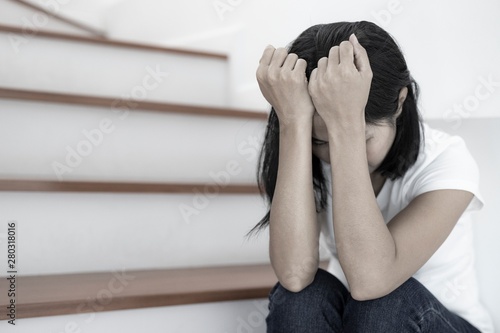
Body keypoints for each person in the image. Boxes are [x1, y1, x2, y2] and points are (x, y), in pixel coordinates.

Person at [251, 21, 494, 332]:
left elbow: (371, 281)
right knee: (300, 299)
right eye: (320, 141)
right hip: (359, 319)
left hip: (438, 322)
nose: (329, 153)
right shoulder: (308, 155)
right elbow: (294, 274)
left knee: (383, 304)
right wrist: (293, 121)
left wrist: (345, 126)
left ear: (399, 103)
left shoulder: (446, 159)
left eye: (363, 138)